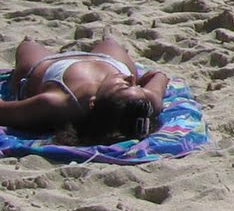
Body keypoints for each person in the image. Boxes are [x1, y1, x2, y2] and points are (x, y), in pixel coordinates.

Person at [1, 37, 167, 144]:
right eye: (135, 85)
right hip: (109, 61)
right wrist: (138, 88)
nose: (131, 78)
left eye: (124, 85)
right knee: (110, 41)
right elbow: (159, 76)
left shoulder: (56, 103)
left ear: (93, 102)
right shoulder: (145, 103)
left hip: (50, 66)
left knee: (29, 42)